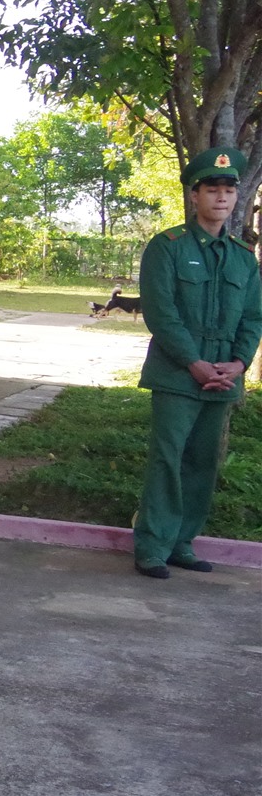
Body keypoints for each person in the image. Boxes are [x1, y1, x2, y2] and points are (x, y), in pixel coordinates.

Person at [132, 145, 261, 579]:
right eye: (212, 189)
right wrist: (194, 363)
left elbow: (253, 316)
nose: (221, 197)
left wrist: (239, 363)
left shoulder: (244, 257)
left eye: (228, 189)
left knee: (204, 462)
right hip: (177, 374)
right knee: (167, 458)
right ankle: (153, 545)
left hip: (223, 376)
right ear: (194, 194)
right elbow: (161, 313)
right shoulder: (167, 247)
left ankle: (182, 543)